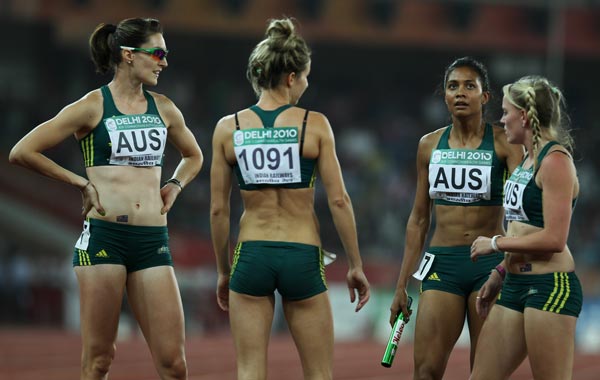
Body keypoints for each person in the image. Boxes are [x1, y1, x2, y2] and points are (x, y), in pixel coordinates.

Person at [9, 18, 203, 380]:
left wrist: (175, 184)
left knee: (174, 365)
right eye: (158, 53)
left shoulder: (164, 108)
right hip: (105, 240)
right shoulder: (92, 106)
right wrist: (80, 183)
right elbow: (23, 151)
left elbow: (194, 155)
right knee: (99, 360)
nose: (164, 62)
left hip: (152, 242)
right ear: (129, 55)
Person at [209, 17, 370, 380]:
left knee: (249, 371)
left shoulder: (228, 128)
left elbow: (219, 209)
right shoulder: (314, 124)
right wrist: (355, 265)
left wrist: (223, 270)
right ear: (291, 77)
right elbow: (340, 200)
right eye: (307, 76)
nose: (307, 84)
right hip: (301, 253)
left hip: (252, 254)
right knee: (319, 374)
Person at [388, 57, 524, 380]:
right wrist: (401, 284)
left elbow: (521, 211)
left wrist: (511, 265)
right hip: (441, 264)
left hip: (488, 264)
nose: (460, 93)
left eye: (469, 86)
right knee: (426, 371)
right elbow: (419, 219)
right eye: (453, 86)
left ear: (485, 96)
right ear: (445, 96)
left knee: (485, 373)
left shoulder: (505, 144)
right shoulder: (429, 146)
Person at [470, 76, 582, 380]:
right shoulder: (526, 161)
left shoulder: (555, 161)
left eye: (506, 111)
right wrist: (500, 273)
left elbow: (554, 239)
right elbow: (521, 229)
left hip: (549, 286)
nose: (502, 119)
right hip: (515, 284)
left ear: (524, 115)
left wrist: (495, 244)